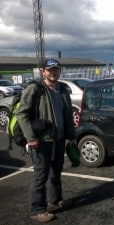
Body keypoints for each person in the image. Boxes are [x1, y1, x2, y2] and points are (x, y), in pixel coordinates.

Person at [16, 58, 77, 222]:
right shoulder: (35, 89)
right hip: (41, 141)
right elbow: (21, 114)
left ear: (60, 71)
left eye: (56, 69)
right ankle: (37, 210)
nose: (53, 72)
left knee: (56, 172)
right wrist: (31, 138)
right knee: (41, 175)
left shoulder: (63, 89)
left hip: (59, 139)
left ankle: (55, 201)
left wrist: (72, 136)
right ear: (43, 71)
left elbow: (68, 115)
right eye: (50, 70)